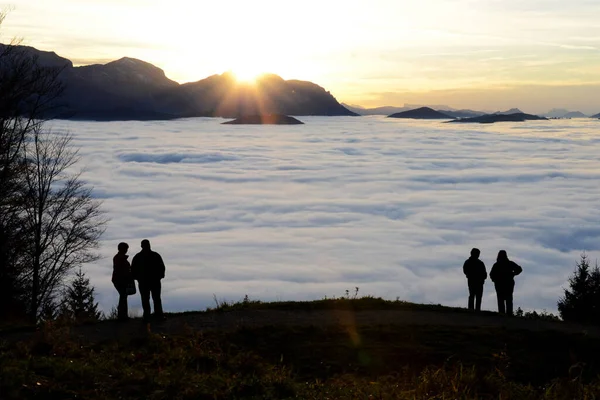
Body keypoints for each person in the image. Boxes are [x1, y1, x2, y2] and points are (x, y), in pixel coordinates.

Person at [131, 239, 166, 322]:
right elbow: (162, 267)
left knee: (146, 299)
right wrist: (160, 276)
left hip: (145, 281)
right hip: (153, 281)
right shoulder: (155, 255)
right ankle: (157, 315)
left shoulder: (138, 257)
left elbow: (133, 270)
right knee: (155, 298)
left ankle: (148, 316)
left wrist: (137, 278)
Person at [489, 250, 523, 315]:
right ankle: (507, 314)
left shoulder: (498, 264)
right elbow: (491, 274)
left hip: (503, 284)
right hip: (505, 284)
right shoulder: (508, 263)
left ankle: (504, 314)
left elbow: (519, 269)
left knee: (503, 299)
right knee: (507, 299)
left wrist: (514, 274)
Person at [112, 242, 132, 321]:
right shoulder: (119, 258)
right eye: (126, 249)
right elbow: (121, 270)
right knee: (123, 296)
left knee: (123, 296)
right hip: (120, 280)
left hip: (119, 279)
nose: (126, 250)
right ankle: (122, 316)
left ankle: (123, 315)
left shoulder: (119, 257)